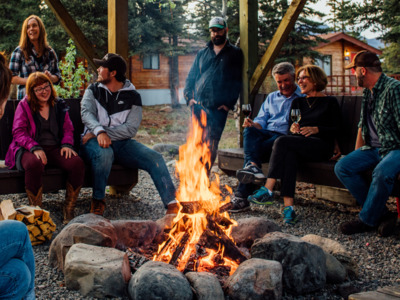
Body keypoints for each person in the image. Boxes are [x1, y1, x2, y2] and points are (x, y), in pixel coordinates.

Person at [80, 53, 177, 216]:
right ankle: (98, 200)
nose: (98, 69)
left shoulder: (133, 97)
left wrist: (103, 133)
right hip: (94, 142)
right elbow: (86, 114)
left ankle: (172, 203)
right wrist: (99, 131)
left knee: (156, 158)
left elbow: (130, 129)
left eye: (102, 67)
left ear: (113, 73)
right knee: (105, 154)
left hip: (122, 143)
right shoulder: (93, 90)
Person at [248, 65, 341, 224]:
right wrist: (293, 129)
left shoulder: (329, 102)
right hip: (301, 145)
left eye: (304, 78)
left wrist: (317, 129)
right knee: (289, 155)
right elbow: (292, 133)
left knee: (282, 141)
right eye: (299, 78)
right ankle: (289, 209)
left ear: (315, 80)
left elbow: (338, 128)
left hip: (321, 147)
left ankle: (268, 188)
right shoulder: (298, 102)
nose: (300, 81)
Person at [334, 51, 400, 236]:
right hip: (373, 149)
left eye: (354, 70)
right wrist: (357, 155)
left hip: (395, 148)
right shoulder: (369, 92)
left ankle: (366, 220)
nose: (352, 74)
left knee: (381, 171)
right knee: (343, 167)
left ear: (362, 70)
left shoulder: (394, 89)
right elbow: (362, 126)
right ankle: (382, 214)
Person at [5, 72, 84, 224]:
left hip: (54, 147)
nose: (44, 91)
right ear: (32, 92)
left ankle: (69, 208)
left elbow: (68, 128)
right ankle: (36, 211)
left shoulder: (59, 104)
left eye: (46, 86)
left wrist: (67, 144)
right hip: (27, 148)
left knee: (77, 163)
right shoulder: (25, 105)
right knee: (35, 164)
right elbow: (18, 132)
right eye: (38, 88)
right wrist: (34, 147)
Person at [229, 62, 303, 212]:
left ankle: (241, 196)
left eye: (286, 80)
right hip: (266, 134)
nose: (282, 85)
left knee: (252, 156)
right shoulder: (271, 97)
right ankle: (253, 167)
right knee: (249, 131)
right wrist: (253, 123)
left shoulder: (303, 97)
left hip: (284, 140)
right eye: (279, 82)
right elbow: (261, 120)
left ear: (294, 77)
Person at [184, 16, 243, 172]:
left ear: (226, 30)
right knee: (197, 141)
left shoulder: (235, 53)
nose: (216, 34)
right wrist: (189, 98)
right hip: (198, 106)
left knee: (211, 143)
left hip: (218, 109)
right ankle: (194, 177)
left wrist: (228, 104)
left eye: (219, 30)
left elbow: (237, 80)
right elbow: (191, 77)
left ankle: (204, 177)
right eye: (213, 31)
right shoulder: (202, 53)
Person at [0, 53, 35, 300]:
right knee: (20, 233)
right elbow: (20, 134)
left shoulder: (56, 108)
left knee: (18, 274)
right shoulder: (23, 107)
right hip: (29, 152)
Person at [10, 15, 61, 100]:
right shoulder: (19, 51)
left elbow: (58, 76)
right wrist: (32, 81)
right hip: (27, 99)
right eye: (28, 27)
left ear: (40, 29)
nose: (31, 29)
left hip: (47, 100)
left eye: (34, 25)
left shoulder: (50, 52)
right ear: (25, 31)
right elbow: (11, 78)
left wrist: (50, 78)